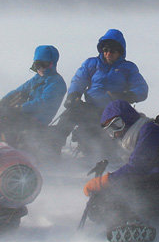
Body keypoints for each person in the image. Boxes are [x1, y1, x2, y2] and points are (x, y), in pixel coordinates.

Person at [81, 100, 159, 242]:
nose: (115, 133)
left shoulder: (150, 130)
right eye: (110, 131)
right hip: (154, 186)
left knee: (115, 194)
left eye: (117, 125)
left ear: (128, 118)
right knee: (99, 202)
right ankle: (125, 220)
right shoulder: (135, 137)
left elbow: (137, 168)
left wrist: (104, 181)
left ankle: (132, 222)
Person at [53, 29, 148, 157]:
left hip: (115, 111)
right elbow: (79, 80)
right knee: (69, 114)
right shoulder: (91, 64)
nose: (108, 53)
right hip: (91, 107)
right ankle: (53, 148)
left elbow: (142, 88)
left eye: (112, 51)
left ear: (119, 52)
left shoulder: (128, 68)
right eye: (105, 50)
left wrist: (127, 96)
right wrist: (73, 95)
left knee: (111, 139)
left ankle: (118, 152)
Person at [0, 45, 66, 150]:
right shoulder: (37, 79)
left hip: (38, 120)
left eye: (45, 64)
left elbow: (44, 102)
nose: (41, 68)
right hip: (27, 114)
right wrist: (3, 102)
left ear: (53, 64)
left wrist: (20, 108)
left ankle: (11, 149)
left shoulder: (56, 82)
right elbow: (19, 90)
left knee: (7, 119)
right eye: (38, 65)